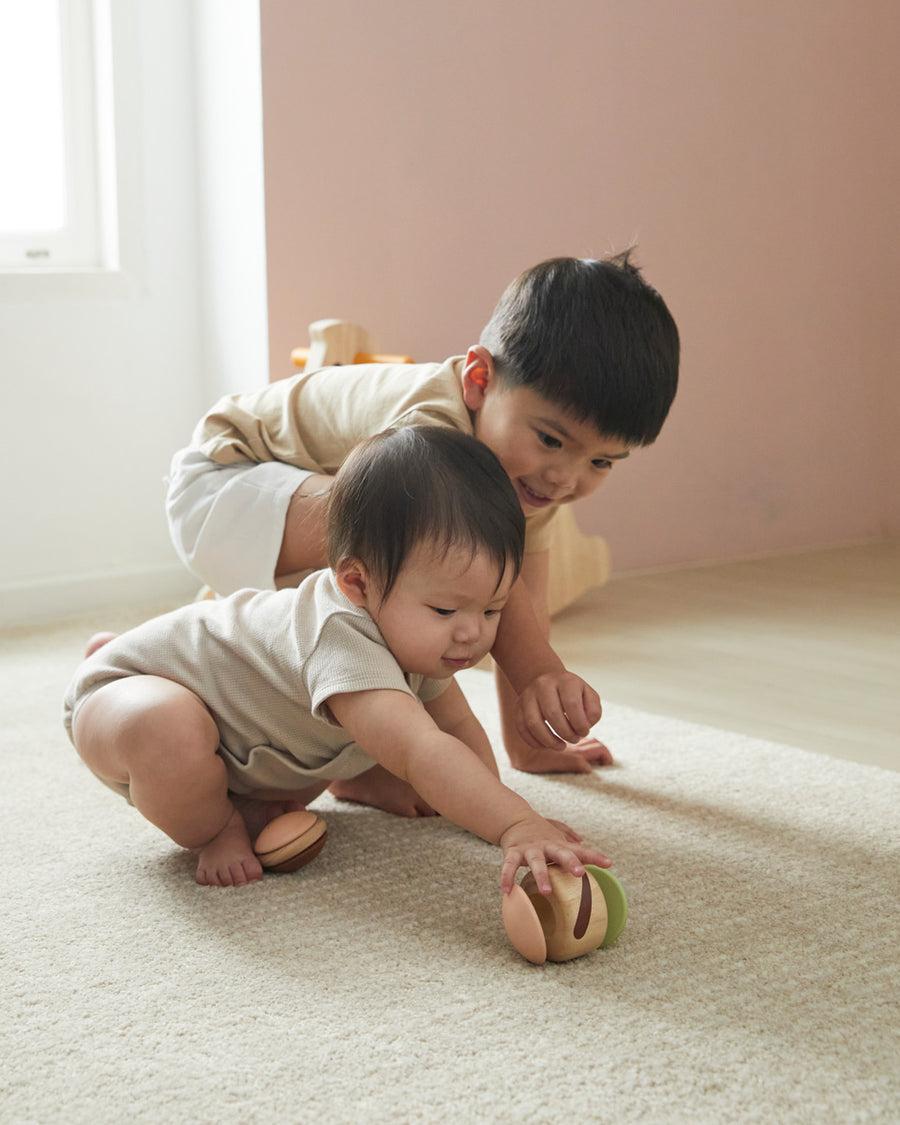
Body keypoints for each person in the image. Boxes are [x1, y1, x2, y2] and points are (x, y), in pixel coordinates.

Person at [166, 251, 680, 780]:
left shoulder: (530, 476)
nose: (564, 478)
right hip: (222, 487)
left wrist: (532, 743)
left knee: (408, 588)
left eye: (600, 462)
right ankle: (373, 767)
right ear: (479, 379)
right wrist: (542, 673)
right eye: (551, 439)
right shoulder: (433, 424)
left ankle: (188, 663)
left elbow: (521, 599)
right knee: (402, 554)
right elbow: (493, 606)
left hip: (278, 522)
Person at [64, 427, 612, 890]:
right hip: (131, 689)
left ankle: (281, 794)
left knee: (366, 743)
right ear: (356, 582)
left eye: (492, 610)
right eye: (446, 608)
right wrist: (515, 827)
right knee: (167, 731)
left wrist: (500, 808)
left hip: (245, 744)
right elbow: (424, 752)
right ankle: (215, 826)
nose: (472, 633)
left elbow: (457, 730)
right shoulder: (340, 633)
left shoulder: (419, 635)